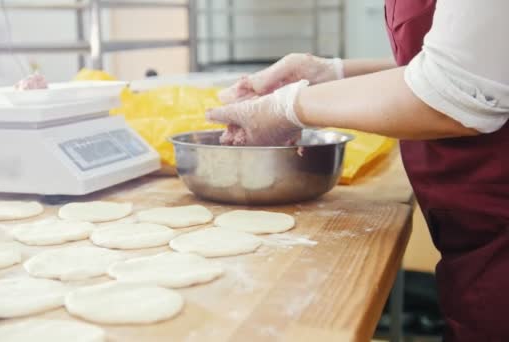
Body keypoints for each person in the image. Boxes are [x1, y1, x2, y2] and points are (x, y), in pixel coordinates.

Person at [207, 0, 509, 341]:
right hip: (475, 234)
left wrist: (288, 108)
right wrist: (329, 74)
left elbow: (460, 92)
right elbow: (474, 59)